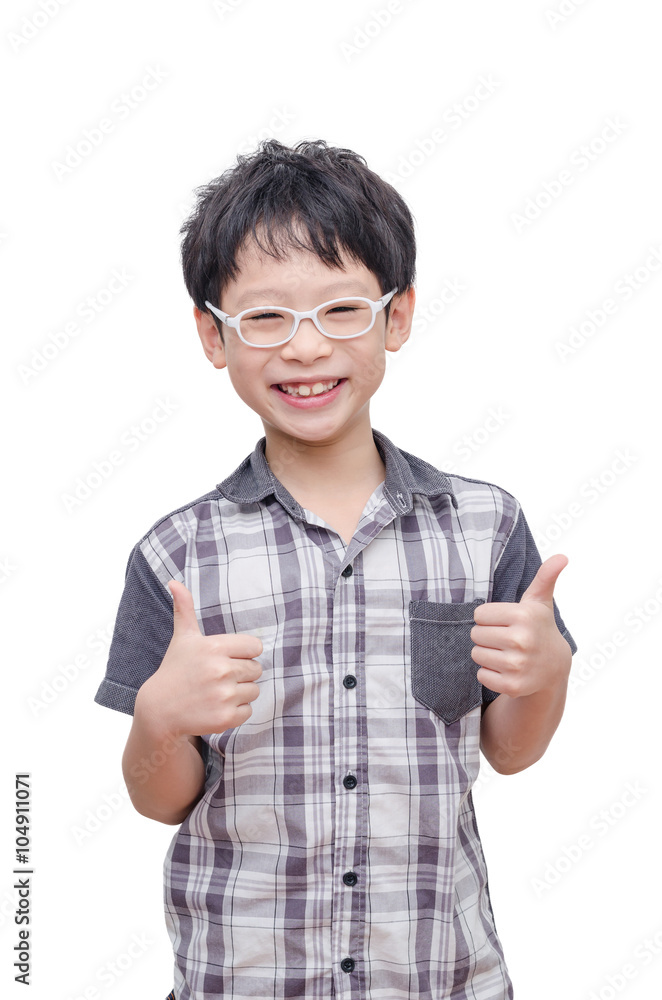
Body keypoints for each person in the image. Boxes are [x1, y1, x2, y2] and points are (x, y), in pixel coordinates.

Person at [93, 138, 577, 1000]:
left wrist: (546, 677)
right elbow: (158, 800)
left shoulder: (484, 525)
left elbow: (510, 752)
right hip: (239, 979)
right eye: (266, 318)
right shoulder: (175, 555)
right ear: (213, 336)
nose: (306, 348)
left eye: (342, 310)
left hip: (439, 976)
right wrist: (160, 721)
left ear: (398, 317)